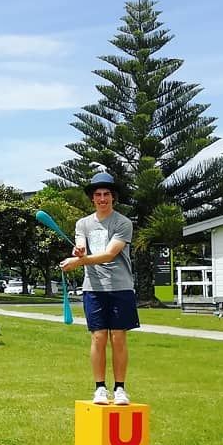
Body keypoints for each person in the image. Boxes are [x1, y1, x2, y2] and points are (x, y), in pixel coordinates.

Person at [59, 172, 139, 405]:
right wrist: (79, 252)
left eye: (106, 194)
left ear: (113, 197)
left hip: (120, 287)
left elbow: (110, 254)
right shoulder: (83, 223)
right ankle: (100, 388)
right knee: (98, 337)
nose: (102, 198)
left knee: (118, 337)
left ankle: (121, 389)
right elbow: (82, 244)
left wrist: (79, 261)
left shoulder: (123, 223)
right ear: (92, 198)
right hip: (93, 288)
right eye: (97, 195)